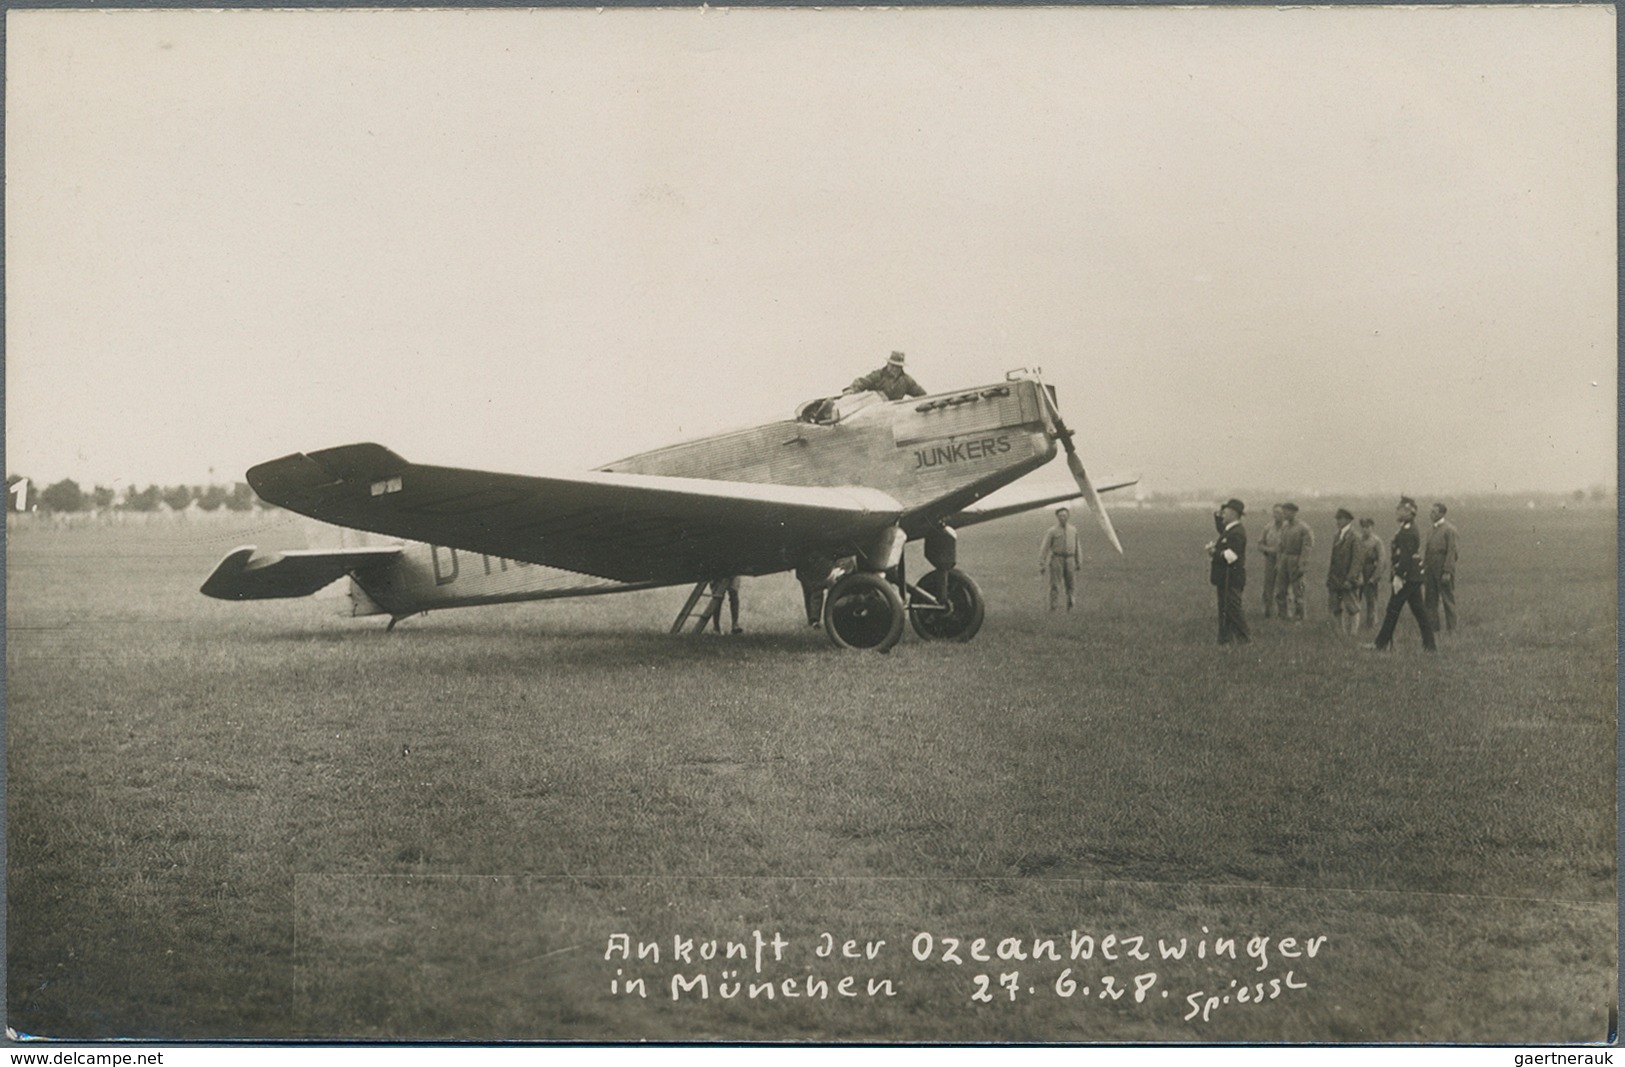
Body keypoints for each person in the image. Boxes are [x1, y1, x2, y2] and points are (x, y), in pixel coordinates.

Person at [1368, 497, 1437, 652]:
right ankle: (1430, 646)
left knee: (1393, 609)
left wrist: (1399, 576)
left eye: (1400, 509)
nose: (1397, 512)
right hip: (1412, 577)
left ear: (1409, 512)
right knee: (1419, 611)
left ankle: (1380, 644)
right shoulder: (1408, 528)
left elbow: (1405, 556)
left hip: (1407, 577)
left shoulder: (1407, 531)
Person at [1206, 499, 1249, 645]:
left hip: (1231, 579)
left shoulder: (1236, 533)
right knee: (1225, 611)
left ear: (1234, 514)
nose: (1223, 514)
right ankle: (1225, 640)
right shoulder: (1231, 530)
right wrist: (1217, 516)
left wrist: (1214, 552)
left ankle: (1245, 640)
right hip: (1226, 578)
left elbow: (1231, 556)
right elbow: (1221, 529)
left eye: (1226, 511)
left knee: (1233, 611)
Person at [1424, 502, 1460, 634]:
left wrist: (1447, 571)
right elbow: (1427, 551)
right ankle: (1434, 629)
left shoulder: (1449, 530)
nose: (1431, 514)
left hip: (1442, 567)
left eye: (1434, 512)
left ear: (1441, 513)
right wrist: (1424, 568)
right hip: (1430, 568)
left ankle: (1452, 629)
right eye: (1431, 511)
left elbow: (1452, 552)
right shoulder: (1431, 529)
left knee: (1447, 599)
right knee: (1430, 600)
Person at [1325, 508, 1362, 636]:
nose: (1338, 521)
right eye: (1337, 519)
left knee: (1352, 607)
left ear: (1347, 520)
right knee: (1335, 606)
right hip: (1335, 578)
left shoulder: (1354, 537)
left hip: (1347, 579)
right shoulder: (1337, 536)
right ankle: (1340, 632)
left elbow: (1356, 561)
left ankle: (1353, 633)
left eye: (1340, 519)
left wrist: (1351, 578)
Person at [1038, 506, 1082, 611]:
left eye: (1065, 515)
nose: (1063, 518)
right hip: (1057, 559)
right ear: (1057, 517)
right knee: (1055, 585)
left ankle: (1070, 607)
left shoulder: (1073, 530)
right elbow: (1045, 547)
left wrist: (1079, 561)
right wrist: (1042, 563)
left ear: (1068, 516)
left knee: (1071, 585)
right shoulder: (1052, 531)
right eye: (1061, 516)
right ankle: (1053, 608)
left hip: (1070, 559)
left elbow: (1077, 547)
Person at [1274, 503, 1313, 620]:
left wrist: (1302, 564)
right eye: (1283, 511)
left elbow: (1307, 548)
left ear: (1294, 512)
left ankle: (1300, 617)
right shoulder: (1285, 527)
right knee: (1280, 590)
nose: (1284, 514)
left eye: (1287, 512)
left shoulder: (1303, 528)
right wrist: (1279, 562)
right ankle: (1283, 615)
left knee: (1298, 591)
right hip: (1284, 560)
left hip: (1296, 560)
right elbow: (1280, 546)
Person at [844, 351, 926, 401]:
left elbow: (921, 394)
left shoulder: (906, 380)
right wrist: (851, 390)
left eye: (898, 367)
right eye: (893, 365)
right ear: (888, 364)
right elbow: (862, 382)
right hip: (876, 413)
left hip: (894, 413)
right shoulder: (878, 375)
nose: (895, 369)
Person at [1355, 517, 1386, 632]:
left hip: (1370, 570)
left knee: (1371, 599)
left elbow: (1382, 560)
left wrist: (1375, 577)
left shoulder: (1376, 541)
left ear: (1372, 528)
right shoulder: (1357, 540)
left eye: (1367, 527)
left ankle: (1371, 624)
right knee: (1355, 598)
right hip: (1358, 570)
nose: (1365, 530)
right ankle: (1355, 624)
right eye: (1363, 527)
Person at [1258, 505, 1285, 618]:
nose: (1276, 515)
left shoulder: (1288, 528)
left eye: (1278, 512)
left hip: (1284, 559)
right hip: (1270, 559)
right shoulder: (1268, 527)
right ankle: (1267, 610)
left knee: (1283, 585)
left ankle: (1283, 612)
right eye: (1274, 512)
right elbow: (1260, 544)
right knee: (1268, 585)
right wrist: (1269, 550)